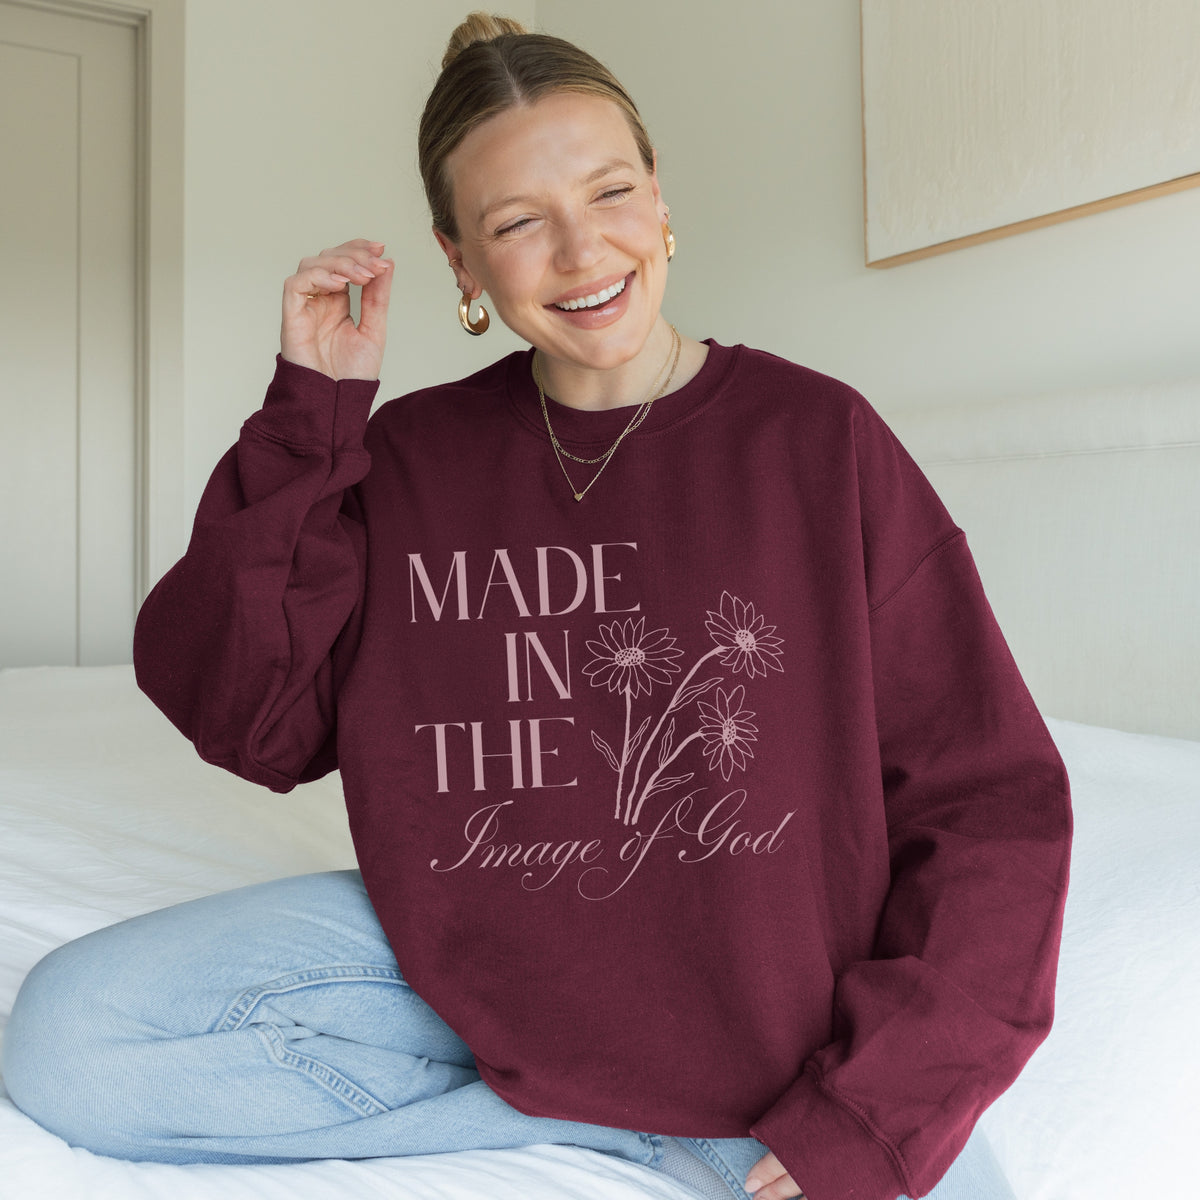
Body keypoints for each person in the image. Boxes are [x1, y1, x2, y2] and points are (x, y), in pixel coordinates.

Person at [1, 13, 1071, 1200]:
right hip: (461, 971)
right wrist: (312, 416)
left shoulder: (818, 440)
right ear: (461, 261)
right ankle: (582, 1119)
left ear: (659, 195)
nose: (580, 249)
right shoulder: (411, 457)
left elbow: (991, 806)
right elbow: (249, 717)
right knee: (72, 1038)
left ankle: (615, 1112)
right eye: (517, 223)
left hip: (767, 1023)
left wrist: (869, 1112)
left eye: (610, 192)